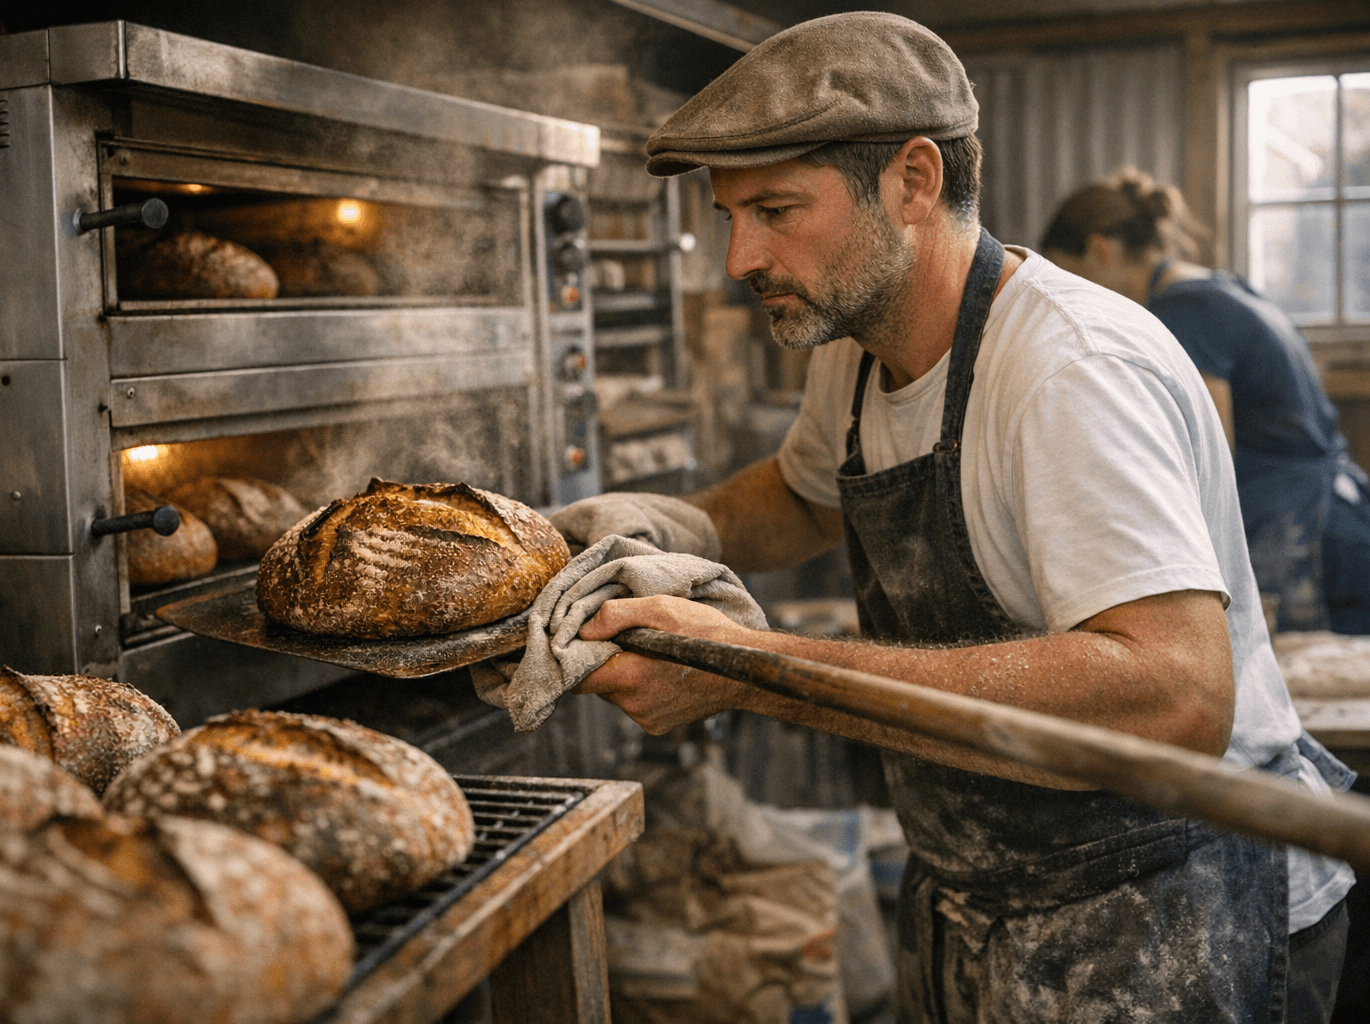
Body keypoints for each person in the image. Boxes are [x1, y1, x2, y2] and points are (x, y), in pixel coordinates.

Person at [546, 12, 1356, 1023]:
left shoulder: (1069, 369)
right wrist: (674, 526)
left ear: (914, 183)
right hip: (986, 895)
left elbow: (1176, 697)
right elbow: (803, 494)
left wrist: (750, 671)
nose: (739, 256)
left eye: (776, 208)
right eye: (729, 215)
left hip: (1170, 906)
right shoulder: (858, 340)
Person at [1041, 169, 1370, 635]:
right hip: (1341, 511)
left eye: (1070, 275)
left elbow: (1211, 459)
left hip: (1305, 538)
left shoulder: (1185, 313)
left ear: (1101, 249)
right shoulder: (1223, 285)